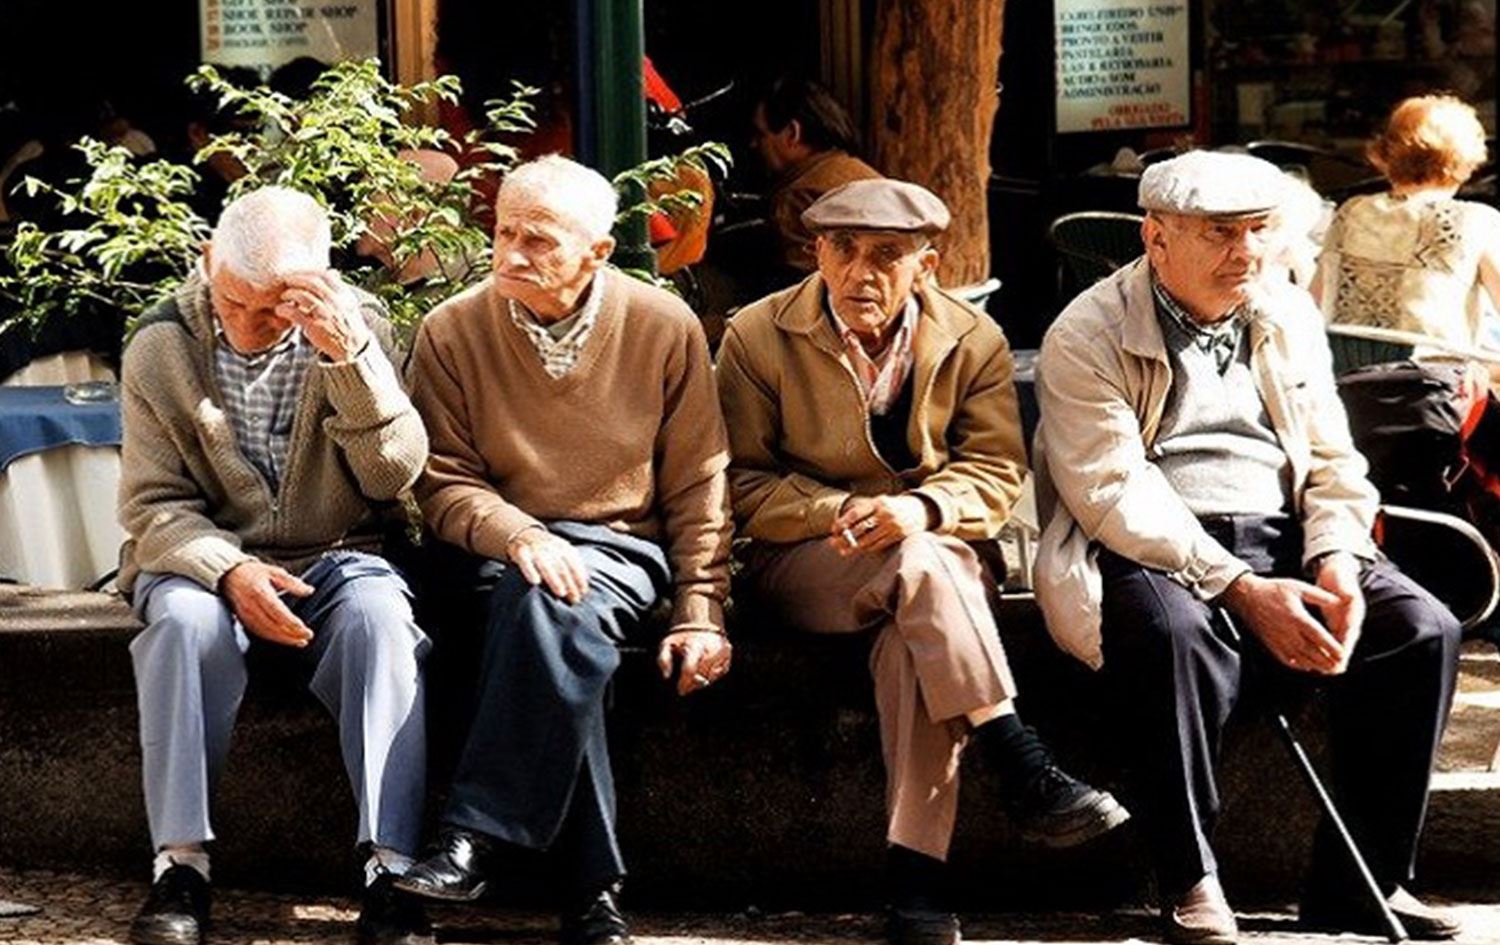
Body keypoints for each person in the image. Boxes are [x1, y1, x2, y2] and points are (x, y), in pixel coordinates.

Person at [1033, 150, 1463, 945]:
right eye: (1221, 234)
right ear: (1155, 238)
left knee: (1421, 629)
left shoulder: (1285, 310)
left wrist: (1336, 557)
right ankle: (1188, 877)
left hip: (1285, 531)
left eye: (1259, 230)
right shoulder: (1087, 332)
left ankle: (1363, 882)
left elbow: (1333, 459)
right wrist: (1239, 588)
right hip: (1161, 541)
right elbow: (1112, 493)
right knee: (1171, 635)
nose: (1247, 252)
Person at [716, 177, 1128, 945]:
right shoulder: (756, 334)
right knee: (922, 567)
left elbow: (997, 471)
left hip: (936, 563)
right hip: (808, 560)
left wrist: (924, 508)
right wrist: (835, 511)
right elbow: (738, 481)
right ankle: (1017, 753)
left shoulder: (972, 338)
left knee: (913, 640)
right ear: (817, 253)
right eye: (843, 249)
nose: (860, 272)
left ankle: (917, 893)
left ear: (926, 265)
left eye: (886, 254)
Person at [396, 155, 734, 945]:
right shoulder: (452, 329)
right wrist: (519, 534)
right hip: (498, 548)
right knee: (548, 612)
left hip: (619, 545)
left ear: (598, 252)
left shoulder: (663, 326)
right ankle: (591, 893)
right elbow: (441, 483)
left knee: (552, 603)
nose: (511, 253)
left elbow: (700, 480)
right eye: (504, 232)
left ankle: (472, 835)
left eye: (539, 240)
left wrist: (700, 607)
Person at [118, 186, 433, 945]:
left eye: (273, 309)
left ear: (317, 283)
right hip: (202, 559)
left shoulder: (358, 326)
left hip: (339, 553)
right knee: (183, 625)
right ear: (208, 261)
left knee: (381, 621)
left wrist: (349, 360)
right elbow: (153, 505)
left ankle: (390, 867)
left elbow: (393, 477)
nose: (248, 325)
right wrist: (229, 570)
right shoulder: (160, 342)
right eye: (233, 301)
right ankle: (181, 867)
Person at [1315, 95, 1500, 355]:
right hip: (1432, 370)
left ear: (1386, 153)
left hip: (1346, 366)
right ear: (1466, 160)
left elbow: (1315, 301)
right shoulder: (1476, 220)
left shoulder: (1351, 211)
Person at [751, 76, 881, 276]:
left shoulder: (797, 198)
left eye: (761, 134)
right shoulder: (857, 170)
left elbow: (813, 288)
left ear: (792, 133)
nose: (754, 144)